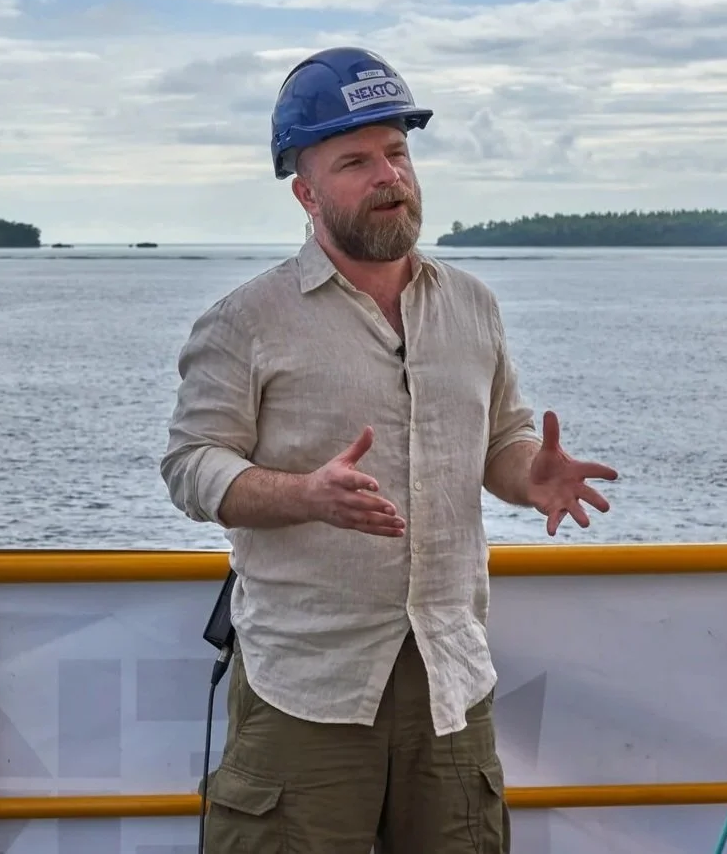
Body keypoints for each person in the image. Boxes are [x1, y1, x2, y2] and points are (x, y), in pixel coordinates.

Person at [160, 46, 618, 853]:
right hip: (306, 684)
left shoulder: (472, 305)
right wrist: (303, 495)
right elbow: (192, 465)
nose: (388, 175)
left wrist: (528, 473)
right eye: (355, 161)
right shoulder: (245, 320)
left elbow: (502, 440)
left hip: (451, 679)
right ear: (305, 192)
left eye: (397, 152)